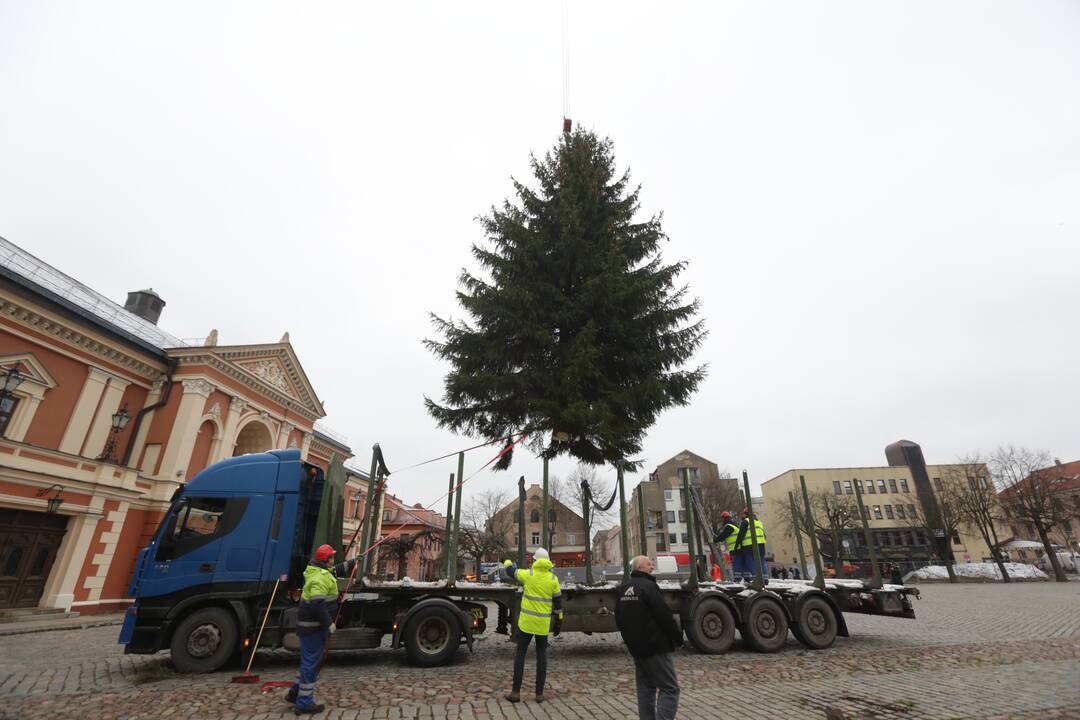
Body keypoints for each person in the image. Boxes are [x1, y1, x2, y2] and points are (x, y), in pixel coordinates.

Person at [287, 543, 356, 715]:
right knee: (311, 664)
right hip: (314, 629)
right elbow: (317, 604)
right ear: (326, 561)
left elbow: (336, 570)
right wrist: (329, 624)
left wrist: (354, 562)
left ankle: (295, 693)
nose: (334, 559)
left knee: (310, 662)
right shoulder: (319, 578)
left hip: (312, 628)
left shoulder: (320, 571)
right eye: (332, 557)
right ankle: (303, 703)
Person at [616, 555, 682, 720]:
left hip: (637, 648)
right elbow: (664, 615)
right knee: (669, 688)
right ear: (639, 568)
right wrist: (677, 638)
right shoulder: (649, 587)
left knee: (646, 689)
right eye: (648, 564)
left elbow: (619, 617)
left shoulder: (624, 588)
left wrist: (630, 641)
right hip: (655, 647)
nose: (652, 567)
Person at [502, 548, 563, 704]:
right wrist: (559, 621)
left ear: (535, 561)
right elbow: (558, 603)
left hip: (526, 624)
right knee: (541, 656)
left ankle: (515, 692)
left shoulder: (528, 575)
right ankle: (539, 694)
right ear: (548, 561)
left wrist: (507, 561)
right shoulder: (553, 579)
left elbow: (511, 571)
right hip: (542, 625)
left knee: (520, 655)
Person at [734, 508, 768, 582]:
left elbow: (741, 535)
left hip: (749, 546)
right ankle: (765, 579)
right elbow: (764, 535)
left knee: (750, 562)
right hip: (761, 545)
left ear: (745, 514)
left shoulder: (746, 521)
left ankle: (756, 578)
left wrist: (737, 545)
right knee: (761, 561)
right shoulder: (759, 522)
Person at [714, 511, 742, 580]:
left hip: (735, 548)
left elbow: (723, 535)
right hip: (738, 547)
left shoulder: (729, 526)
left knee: (736, 564)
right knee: (738, 563)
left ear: (724, 518)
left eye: (723, 518)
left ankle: (738, 579)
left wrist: (715, 540)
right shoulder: (734, 525)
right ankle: (739, 578)